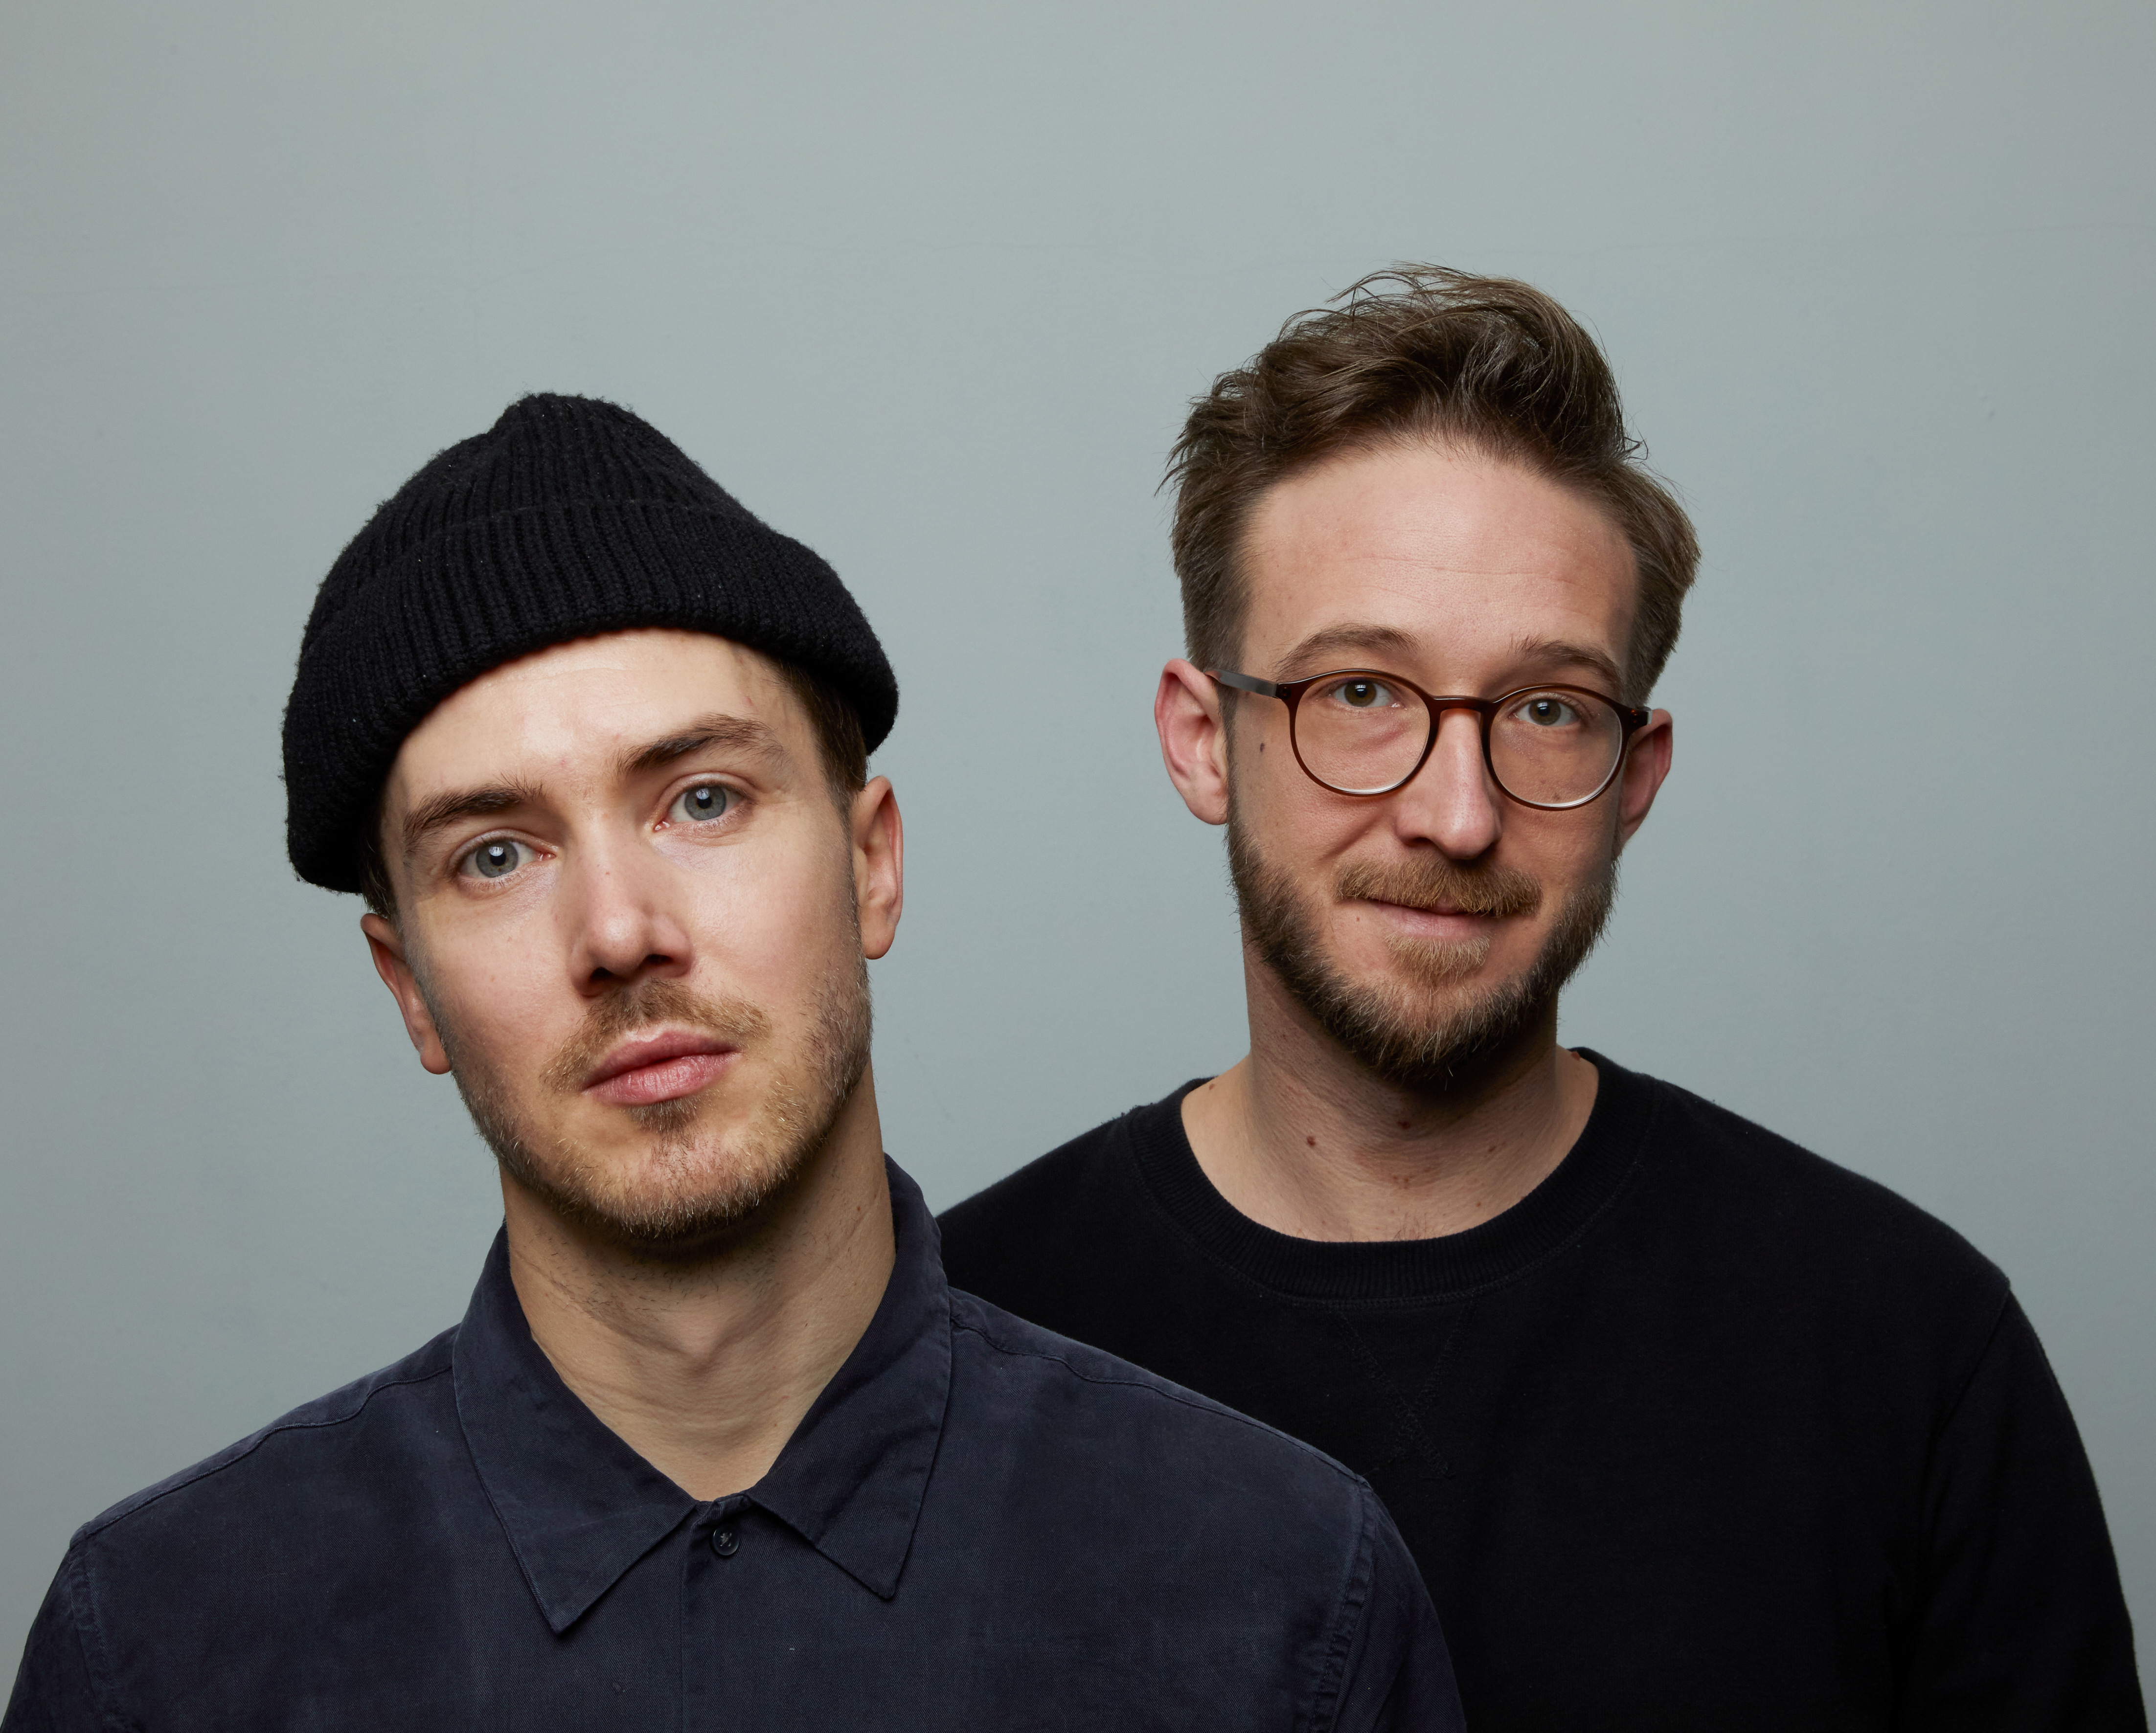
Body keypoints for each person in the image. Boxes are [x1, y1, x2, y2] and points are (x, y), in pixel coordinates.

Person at [3, 395, 1460, 1732]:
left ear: (872, 864)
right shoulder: (161, 1652)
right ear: (412, 991)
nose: (619, 932)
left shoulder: (1281, 1594)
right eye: (497, 855)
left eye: (701, 800)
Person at [939, 269, 2146, 1729]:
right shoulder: (946, 1343)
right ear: (1203, 741)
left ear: (1636, 780)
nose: (1456, 815)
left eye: (1548, 711)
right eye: (1360, 693)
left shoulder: (1909, 1351)